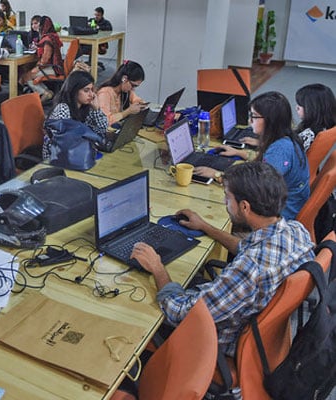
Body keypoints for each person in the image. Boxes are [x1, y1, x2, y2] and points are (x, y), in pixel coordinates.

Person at [131, 162, 314, 357]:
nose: (225, 203)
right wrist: (205, 226)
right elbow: (244, 247)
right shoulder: (295, 231)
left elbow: (180, 313)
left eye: (228, 198)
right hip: (265, 332)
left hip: (216, 342)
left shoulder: (249, 269)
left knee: (136, 302)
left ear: (244, 206)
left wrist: (157, 267)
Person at [194, 92, 310, 220]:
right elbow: (263, 169)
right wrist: (239, 153)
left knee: (214, 211)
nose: (249, 121)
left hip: (281, 216)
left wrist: (218, 175)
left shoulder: (279, 150)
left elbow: (256, 188)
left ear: (270, 120)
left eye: (254, 117)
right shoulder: (285, 139)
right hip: (289, 206)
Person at [46, 70, 110, 158]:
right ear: (74, 90)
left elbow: (102, 129)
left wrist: (96, 109)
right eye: (86, 90)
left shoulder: (87, 107)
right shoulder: (62, 109)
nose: (91, 95)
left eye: (92, 90)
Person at [19, 15, 63, 102]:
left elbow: (45, 60)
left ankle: (45, 92)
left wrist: (36, 68)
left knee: (26, 76)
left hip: (51, 67)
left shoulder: (47, 39)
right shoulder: (53, 35)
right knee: (28, 71)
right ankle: (45, 92)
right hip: (57, 66)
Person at [96, 60, 146, 125]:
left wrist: (140, 104)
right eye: (133, 85)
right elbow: (105, 121)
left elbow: (136, 99)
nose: (133, 89)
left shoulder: (126, 91)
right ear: (124, 79)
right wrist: (128, 111)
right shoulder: (105, 93)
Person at [294, 83, 336, 151]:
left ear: (312, 108)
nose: (296, 108)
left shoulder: (309, 134)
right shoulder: (329, 125)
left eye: (300, 105)